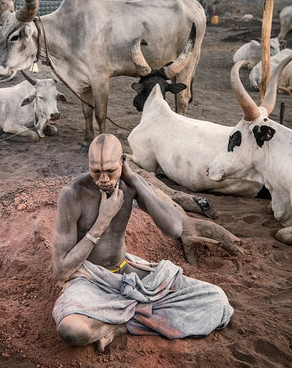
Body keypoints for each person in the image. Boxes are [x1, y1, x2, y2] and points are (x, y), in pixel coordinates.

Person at [52, 134, 233, 352]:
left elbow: (174, 228)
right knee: (72, 330)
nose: (103, 179)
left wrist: (135, 180)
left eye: (111, 171)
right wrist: (102, 221)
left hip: (127, 273)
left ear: (123, 162)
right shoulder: (73, 194)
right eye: (96, 171)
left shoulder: (130, 187)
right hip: (90, 280)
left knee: (217, 300)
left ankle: (118, 325)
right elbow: (62, 270)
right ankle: (138, 314)